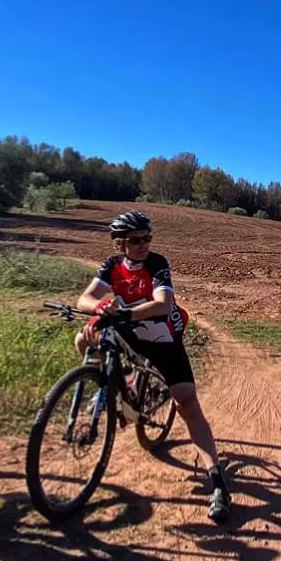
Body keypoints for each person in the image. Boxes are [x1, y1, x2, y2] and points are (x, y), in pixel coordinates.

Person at [74, 210, 231, 524]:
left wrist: (124, 314)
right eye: (136, 240)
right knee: (83, 340)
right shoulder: (111, 266)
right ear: (121, 243)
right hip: (130, 329)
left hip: (164, 336)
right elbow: (85, 298)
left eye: (147, 238)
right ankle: (111, 388)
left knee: (186, 402)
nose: (143, 244)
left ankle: (218, 481)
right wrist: (100, 308)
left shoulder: (157, 263)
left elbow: (164, 304)